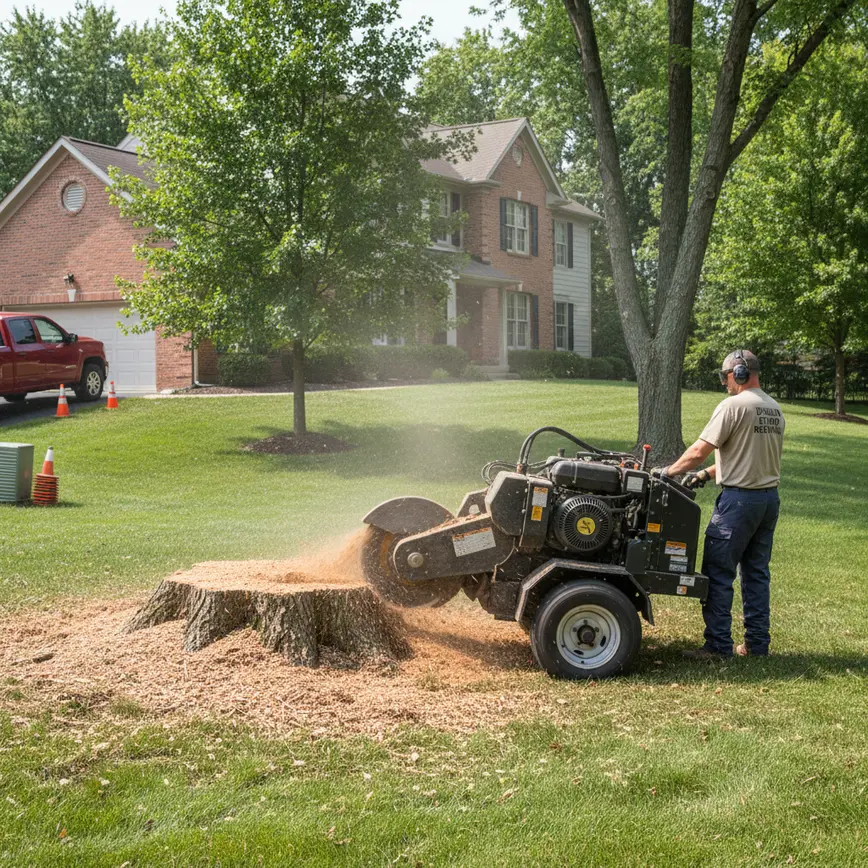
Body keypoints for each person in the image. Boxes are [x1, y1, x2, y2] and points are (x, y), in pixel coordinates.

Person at [657, 350, 785, 659]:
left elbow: (700, 449)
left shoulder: (733, 405)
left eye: (724, 376)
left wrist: (667, 471)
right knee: (755, 574)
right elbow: (745, 455)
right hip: (767, 501)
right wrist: (703, 475)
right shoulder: (773, 408)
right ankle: (757, 645)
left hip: (738, 503)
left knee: (717, 571)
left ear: (738, 374)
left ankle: (717, 646)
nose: (723, 383)